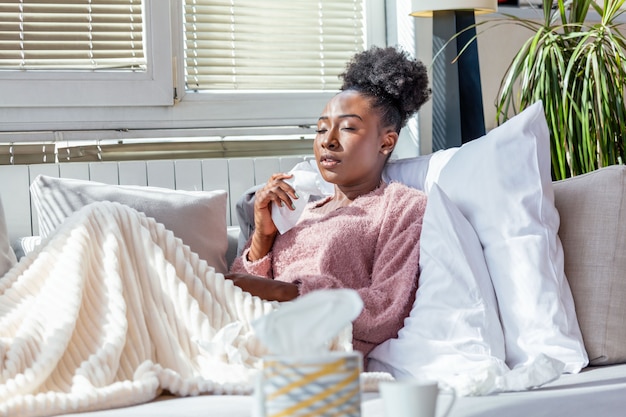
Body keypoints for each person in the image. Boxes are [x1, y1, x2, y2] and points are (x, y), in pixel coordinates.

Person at [226, 45, 431, 360]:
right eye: (321, 128)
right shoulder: (301, 207)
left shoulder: (402, 206)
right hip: (243, 324)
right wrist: (262, 238)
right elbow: (241, 284)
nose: (327, 140)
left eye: (347, 128)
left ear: (386, 142)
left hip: (307, 344)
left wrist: (289, 293)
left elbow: (386, 308)